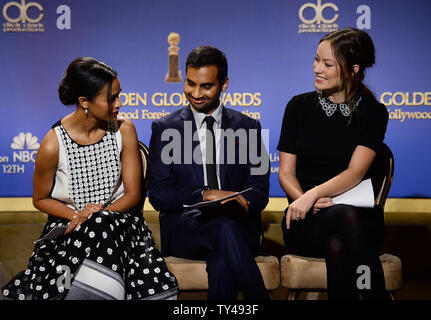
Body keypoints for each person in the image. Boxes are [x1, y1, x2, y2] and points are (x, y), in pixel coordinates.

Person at [1, 57, 178, 300]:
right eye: (111, 98)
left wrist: (97, 215)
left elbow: (134, 194)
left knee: (101, 224)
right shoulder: (54, 143)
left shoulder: (124, 129)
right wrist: (78, 216)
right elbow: (40, 199)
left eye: (119, 95)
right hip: (71, 229)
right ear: (84, 102)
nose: (119, 103)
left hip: (122, 227)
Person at [148, 46, 270, 300]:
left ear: (224, 84)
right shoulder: (164, 128)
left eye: (206, 86)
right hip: (185, 230)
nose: (195, 93)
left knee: (223, 258)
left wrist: (241, 204)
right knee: (224, 230)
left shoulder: (249, 127)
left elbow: (259, 190)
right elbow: (159, 194)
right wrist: (205, 194)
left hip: (236, 228)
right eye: (190, 84)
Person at [277, 28, 389, 300]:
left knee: (340, 237)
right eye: (316, 60)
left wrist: (314, 194)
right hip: (305, 219)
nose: (317, 68)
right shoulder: (298, 107)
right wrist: (304, 200)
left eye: (328, 64)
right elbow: (286, 172)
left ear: (353, 69)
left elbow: (355, 173)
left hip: (357, 217)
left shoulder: (373, 113)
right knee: (341, 230)